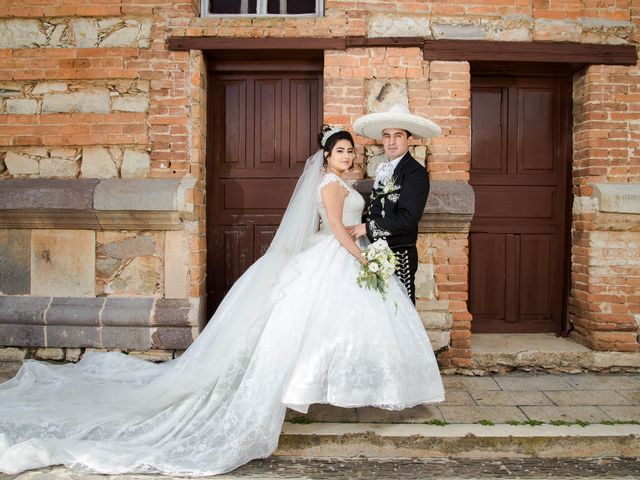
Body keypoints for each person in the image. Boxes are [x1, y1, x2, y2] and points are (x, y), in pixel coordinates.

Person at [0, 126, 444, 476]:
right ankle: (315, 390)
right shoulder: (330, 185)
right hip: (338, 254)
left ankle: (339, 390)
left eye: (351, 151)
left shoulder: (347, 182)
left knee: (337, 328)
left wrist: (364, 239)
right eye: (341, 151)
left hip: (343, 253)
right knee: (313, 327)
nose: (347, 156)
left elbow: (361, 223)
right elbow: (336, 228)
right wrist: (361, 258)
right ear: (326, 156)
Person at [348, 103, 442, 304]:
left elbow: (408, 218)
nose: (391, 142)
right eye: (386, 136)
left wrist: (367, 227)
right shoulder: (385, 169)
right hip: (376, 252)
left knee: (402, 312)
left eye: (397, 135)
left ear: (409, 139)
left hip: (400, 256)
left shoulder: (415, 173)